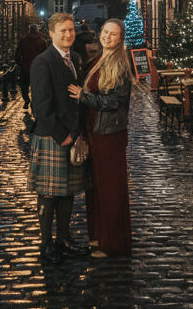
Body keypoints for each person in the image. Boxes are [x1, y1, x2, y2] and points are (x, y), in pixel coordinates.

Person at [68, 18, 132, 258]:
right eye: (105, 32)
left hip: (109, 134)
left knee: (110, 189)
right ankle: (97, 235)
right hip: (94, 131)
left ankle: (113, 243)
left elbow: (113, 102)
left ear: (120, 39)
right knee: (94, 188)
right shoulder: (97, 60)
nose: (107, 37)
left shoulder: (121, 65)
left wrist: (83, 97)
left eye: (113, 34)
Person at [28, 13, 86, 265]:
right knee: (49, 193)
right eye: (62, 30)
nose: (68, 34)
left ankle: (64, 238)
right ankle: (46, 244)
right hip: (52, 136)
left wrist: (77, 132)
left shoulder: (75, 58)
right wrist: (62, 135)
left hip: (72, 134)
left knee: (67, 192)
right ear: (51, 33)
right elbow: (40, 105)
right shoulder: (43, 62)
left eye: (71, 30)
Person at [15, 24, 47, 109]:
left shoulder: (23, 41)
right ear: (37, 31)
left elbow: (18, 54)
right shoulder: (42, 41)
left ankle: (26, 99)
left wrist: (20, 64)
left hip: (25, 67)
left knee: (24, 86)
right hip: (38, 69)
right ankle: (34, 102)